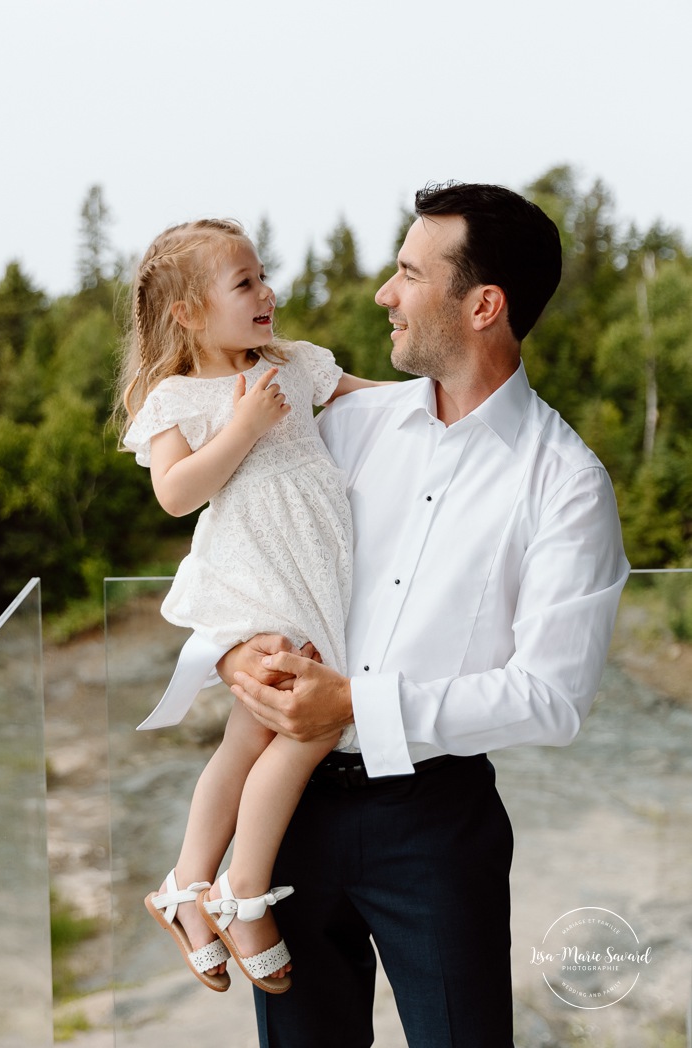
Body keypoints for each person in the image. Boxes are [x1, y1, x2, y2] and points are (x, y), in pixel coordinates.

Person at [220, 183, 630, 1047]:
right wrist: (230, 654)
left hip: (437, 832)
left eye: (408, 272)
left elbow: (551, 698)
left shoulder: (565, 483)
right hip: (287, 814)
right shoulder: (346, 427)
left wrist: (355, 708)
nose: (385, 294)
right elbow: (244, 551)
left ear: (483, 305)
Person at [115, 218, 383, 995]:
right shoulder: (178, 398)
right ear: (189, 315)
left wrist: (447, 397)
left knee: (248, 739)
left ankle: (186, 888)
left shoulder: (296, 365)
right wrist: (239, 428)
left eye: (263, 276)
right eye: (244, 283)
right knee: (313, 721)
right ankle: (242, 891)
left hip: (313, 576)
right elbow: (175, 494)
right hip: (256, 581)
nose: (267, 293)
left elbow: (380, 404)